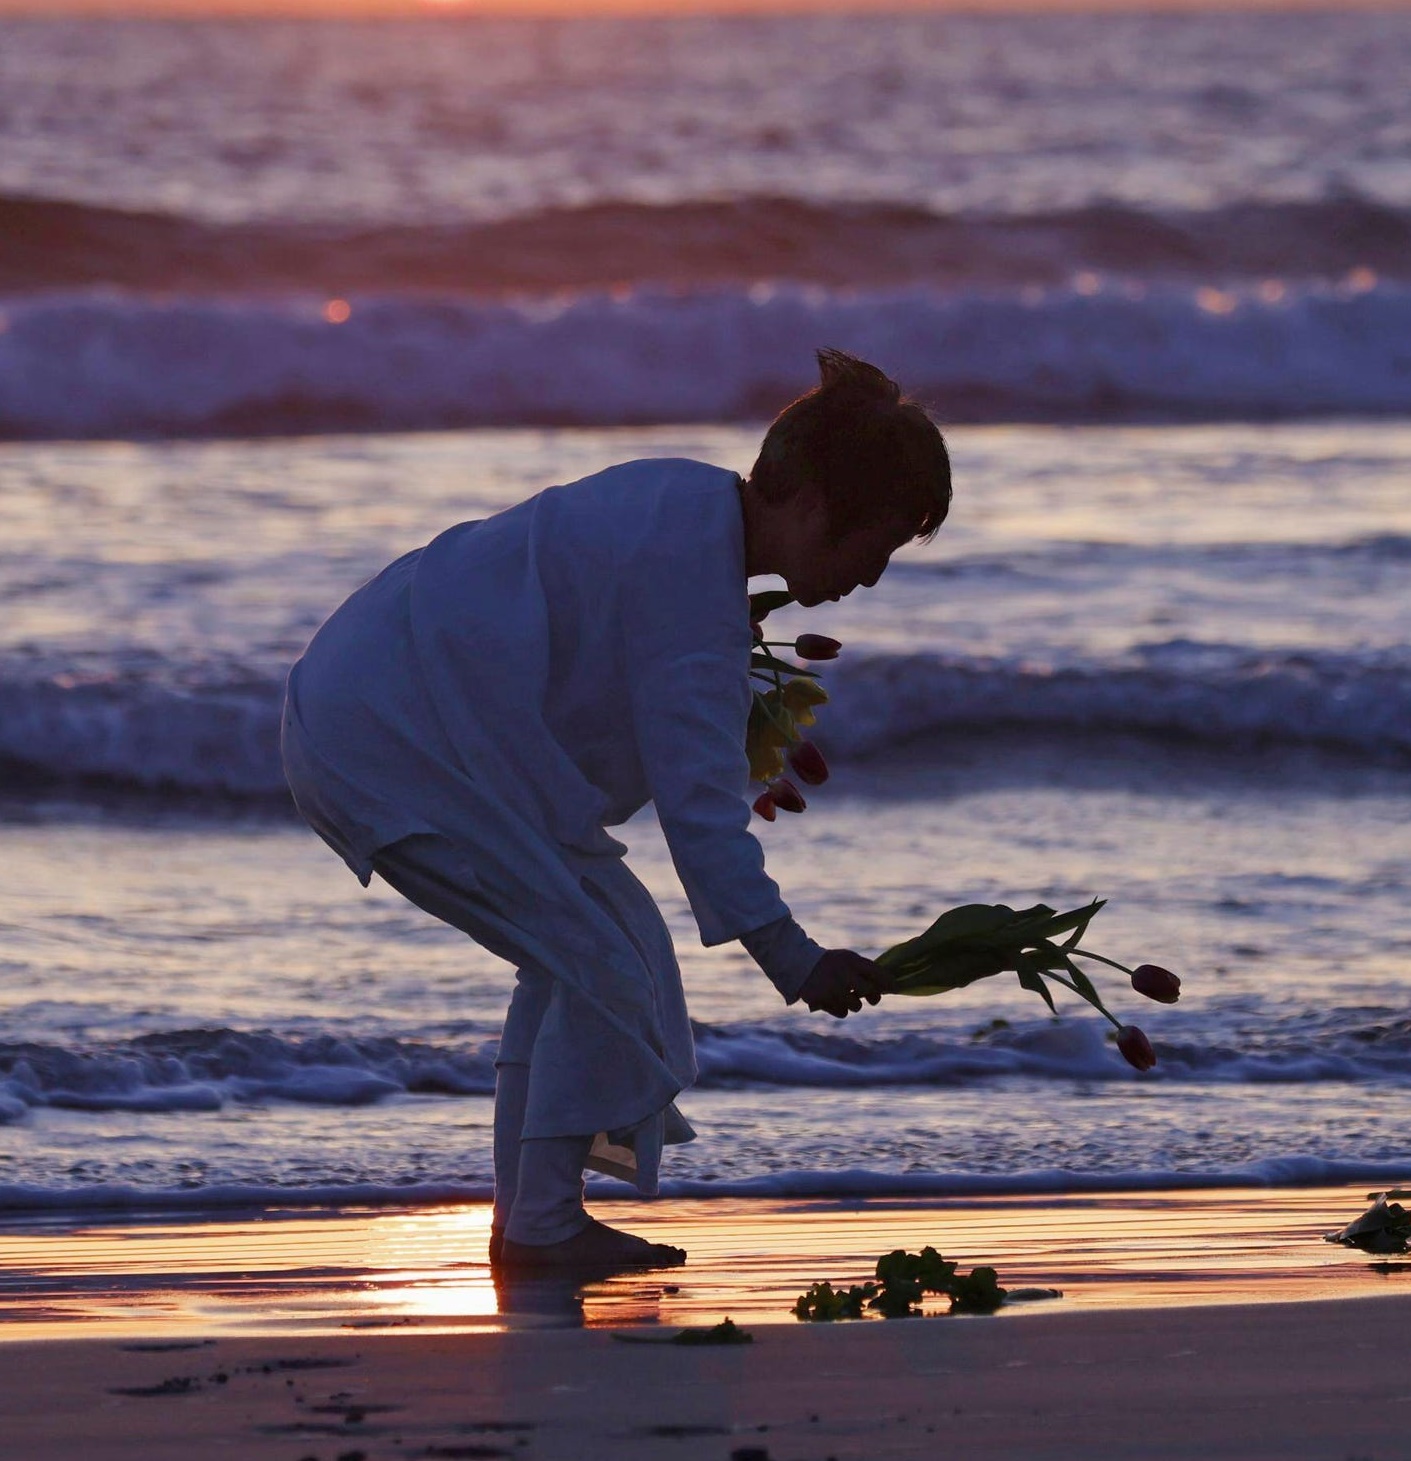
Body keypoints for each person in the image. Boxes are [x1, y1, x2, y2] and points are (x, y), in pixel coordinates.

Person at [281, 349, 949, 1273]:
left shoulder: (684, 509)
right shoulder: (692, 587)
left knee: (592, 949)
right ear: (809, 505)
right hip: (396, 733)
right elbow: (700, 813)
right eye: (869, 545)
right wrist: (797, 961)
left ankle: (529, 1219)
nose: (869, 577)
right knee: (604, 963)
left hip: (381, 709)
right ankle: (543, 1227)